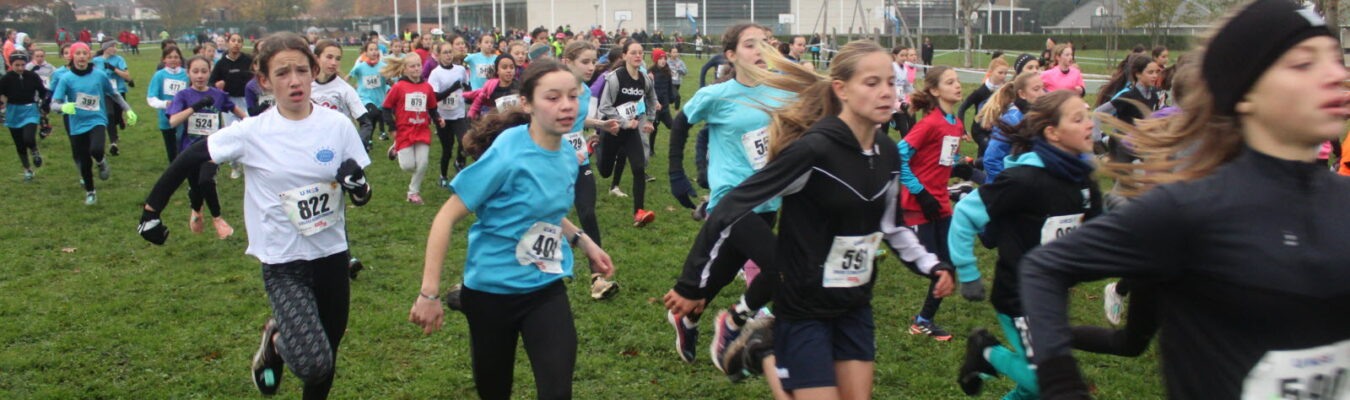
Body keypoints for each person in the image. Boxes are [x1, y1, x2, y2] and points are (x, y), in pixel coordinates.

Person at [1019, 1, 1350, 398]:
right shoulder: (1191, 211)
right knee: (1133, 341)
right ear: (1245, 93)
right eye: (1303, 63)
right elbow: (1045, 268)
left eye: (1337, 58)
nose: (1337, 75)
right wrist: (1061, 383)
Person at [683, 39, 955, 399]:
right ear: (840, 89)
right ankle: (765, 350)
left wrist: (932, 265)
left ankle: (763, 347)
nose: (887, 93)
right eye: (872, 83)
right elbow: (732, 206)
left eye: (890, 82)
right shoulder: (812, 151)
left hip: (855, 303)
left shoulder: (888, 152)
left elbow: (891, 225)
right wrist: (691, 283)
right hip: (803, 306)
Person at [138, 32, 372, 399]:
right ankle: (277, 343)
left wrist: (357, 186)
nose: (294, 81)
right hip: (283, 261)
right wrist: (151, 210)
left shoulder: (338, 126)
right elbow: (192, 157)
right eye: (282, 73)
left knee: (327, 356)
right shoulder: (253, 132)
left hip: (331, 256)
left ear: (313, 72)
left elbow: (360, 194)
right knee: (313, 361)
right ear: (263, 80)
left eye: (301, 70)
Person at [407, 58, 616, 400]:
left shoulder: (567, 154)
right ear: (527, 103)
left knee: (557, 391)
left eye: (573, 95)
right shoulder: (507, 155)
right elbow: (444, 219)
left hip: (544, 287)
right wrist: (428, 294)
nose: (566, 105)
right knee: (495, 391)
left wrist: (583, 241)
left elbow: (541, 209)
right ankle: (462, 297)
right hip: (493, 294)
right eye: (552, 97)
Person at [947, 90, 1101, 399]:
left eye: (1089, 115)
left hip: (1055, 297)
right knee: (1047, 381)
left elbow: (1102, 229)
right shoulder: (1023, 179)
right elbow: (965, 213)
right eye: (1078, 118)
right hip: (1020, 296)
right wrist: (967, 271)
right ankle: (987, 351)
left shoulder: (1084, 180)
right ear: (1052, 133)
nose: (1090, 124)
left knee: (1032, 391)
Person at [662, 24, 795, 371]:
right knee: (782, 265)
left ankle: (687, 319)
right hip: (730, 201)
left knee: (721, 272)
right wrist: (676, 173)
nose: (760, 50)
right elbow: (681, 123)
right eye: (750, 45)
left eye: (765, 43)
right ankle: (735, 321)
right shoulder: (718, 95)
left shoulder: (783, 92)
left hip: (769, 201)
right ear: (732, 55)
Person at [897, 65, 964, 341]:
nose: (958, 86)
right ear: (935, 91)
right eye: (950, 82)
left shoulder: (956, 124)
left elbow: (945, 161)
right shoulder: (929, 124)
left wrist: (973, 169)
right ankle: (922, 321)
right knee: (935, 267)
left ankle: (923, 320)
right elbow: (898, 156)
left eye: (958, 81)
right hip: (918, 203)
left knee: (947, 264)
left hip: (941, 202)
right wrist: (920, 192)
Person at [560, 40, 623, 300]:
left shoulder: (585, 91)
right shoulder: (554, 90)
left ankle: (597, 279)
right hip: (553, 162)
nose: (591, 66)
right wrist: (562, 149)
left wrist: (601, 124)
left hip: (580, 160)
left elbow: (578, 120)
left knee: (587, 212)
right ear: (567, 63)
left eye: (593, 61)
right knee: (548, 216)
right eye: (584, 61)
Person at [164, 55, 247, 239]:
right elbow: (173, 121)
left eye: (204, 71)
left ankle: (218, 219)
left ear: (209, 72)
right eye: (195, 71)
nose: (200, 75)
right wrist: (195, 107)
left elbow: (235, 110)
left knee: (205, 180)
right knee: (195, 186)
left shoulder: (218, 95)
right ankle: (196, 210)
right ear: (188, 73)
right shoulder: (183, 95)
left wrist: (251, 123)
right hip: (189, 149)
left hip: (213, 148)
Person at [52, 42, 138, 205]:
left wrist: (128, 109)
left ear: (89, 56)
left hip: (97, 119)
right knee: (84, 160)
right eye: (77, 53)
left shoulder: (99, 75)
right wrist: (63, 106)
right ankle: (90, 192)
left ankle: (100, 161)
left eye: (84, 53)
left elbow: (114, 94)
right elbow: (53, 104)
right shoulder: (66, 78)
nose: (81, 57)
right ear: (72, 57)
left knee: (96, 149)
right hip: (77, 124)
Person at [598, 39, 658, 227]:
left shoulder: (644, 78)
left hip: (631, 130)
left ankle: (639, 212)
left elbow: (651, 97)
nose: (638, 55)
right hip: (613, 130)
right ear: (624, 56)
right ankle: (596, 145)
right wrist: (623, 123)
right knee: (605, 172)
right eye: (633, 52)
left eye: (640, 52)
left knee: (639, 168)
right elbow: (604, 106)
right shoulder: (615, 78)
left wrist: (649, 118)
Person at [380, 53, 442, 205]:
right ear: (405, 69)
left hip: (422, 129)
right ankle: (396, 148)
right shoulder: (398, 87)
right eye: (412, 66)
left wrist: (438, 119)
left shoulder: (427, 87)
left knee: (423, 163)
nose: (416, 69)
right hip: (404, 131)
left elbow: (432, 107)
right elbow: (386, 108)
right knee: (408, 166)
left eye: (418, 65)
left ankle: (413, 192)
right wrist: (392, 127)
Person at [977, 71, 1046, 183]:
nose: (1042, 93)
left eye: (1043, 88)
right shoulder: (1012, 120)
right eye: (1036, 89)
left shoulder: (1038, 118)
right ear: (1022, 94)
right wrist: (1007, 185)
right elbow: (991, 159)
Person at [1093, 54, 1161, 163]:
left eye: (1156, 72)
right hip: (1121, 147)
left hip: (1138, 146)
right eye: (1150, 72)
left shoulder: (1153, 95)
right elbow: (1098, 113)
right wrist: (1097, 144)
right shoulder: (1128, 96)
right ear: (1138, 74)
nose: (1154, 76)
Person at [427, 40, 471, 186]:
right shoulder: (435, 74)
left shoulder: (460, 70)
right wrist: (453, 88)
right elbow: (435, 97)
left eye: (450, 52)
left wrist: (469, 92)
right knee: (447, 148)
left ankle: (459, 161)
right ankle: (443, 175)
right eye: (445, 52)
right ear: (438, 55)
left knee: (464, 141)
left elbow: (466, 86)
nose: (448, 55)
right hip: (443, 117)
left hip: (458, 114)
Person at [1, 52, 48, 182]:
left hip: (30, 110)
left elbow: (43, 91)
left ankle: (34, 150)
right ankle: (27, 169)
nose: (21, 68)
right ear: (11, 65)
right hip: (13, 111)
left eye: (23, 65)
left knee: (28, 137)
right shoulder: (6, 78)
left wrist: (44, 103)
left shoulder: (32, 76)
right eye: (17, 65)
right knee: (19, 144)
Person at [957, 56, 1009, 161]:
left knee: (989, 155)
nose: (1003, 76)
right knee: (989, 149)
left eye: (1005, 73)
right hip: (979, 130)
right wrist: (962, 130)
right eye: (1000, 73)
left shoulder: (1005, 91)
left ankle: (976, 169)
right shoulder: (980, 91)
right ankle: (976, 170)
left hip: (996, 130)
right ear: (991, 72)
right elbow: (962, 108)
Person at [146, 45, 190, 162]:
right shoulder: (159, 75)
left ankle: (185, 167)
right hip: (166, 118)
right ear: (164, 59)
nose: (173, 60)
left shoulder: (187, 74)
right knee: (171, 149)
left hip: (184, 117)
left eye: (176, 57)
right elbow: (151, 98)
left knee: (183, 144)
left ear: (180, 59)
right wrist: (166, 104)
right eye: (169, 57)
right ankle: (174, 172)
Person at [348, 41, 390, 148]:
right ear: (365, 53)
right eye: (371, 50)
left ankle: (368, 140)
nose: (374, 52)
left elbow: (390, 80)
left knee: (374, 120)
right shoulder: (360, 67)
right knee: (373, 114)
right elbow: (349, 76)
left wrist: (393, 82)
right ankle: (363, 140)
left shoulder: (383, 66)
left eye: (376, 49)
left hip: (379, 99)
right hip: (365, 98)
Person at [92, 41, 131, 157]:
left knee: (117, 116)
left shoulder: (119, 59)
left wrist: (113, 68)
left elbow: (127, 76)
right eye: (112, 46)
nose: (115, 48)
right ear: (105, 48)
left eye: (115, 46)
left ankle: (120, 119)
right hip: (104, 93)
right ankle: (113, 143)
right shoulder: (96, 61)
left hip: (119, 91)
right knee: (109, 115)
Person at [210, 33, 254, 126]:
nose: (236, 43)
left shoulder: (249, 61)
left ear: (242, 44)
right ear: (227, 43)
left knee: (247, 127)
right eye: (233, 40)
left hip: (246, 99)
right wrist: (216, 85)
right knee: (231, 129)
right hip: (228, 101)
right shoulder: (221, 63)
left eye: (239, 41)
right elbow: (211, 83)